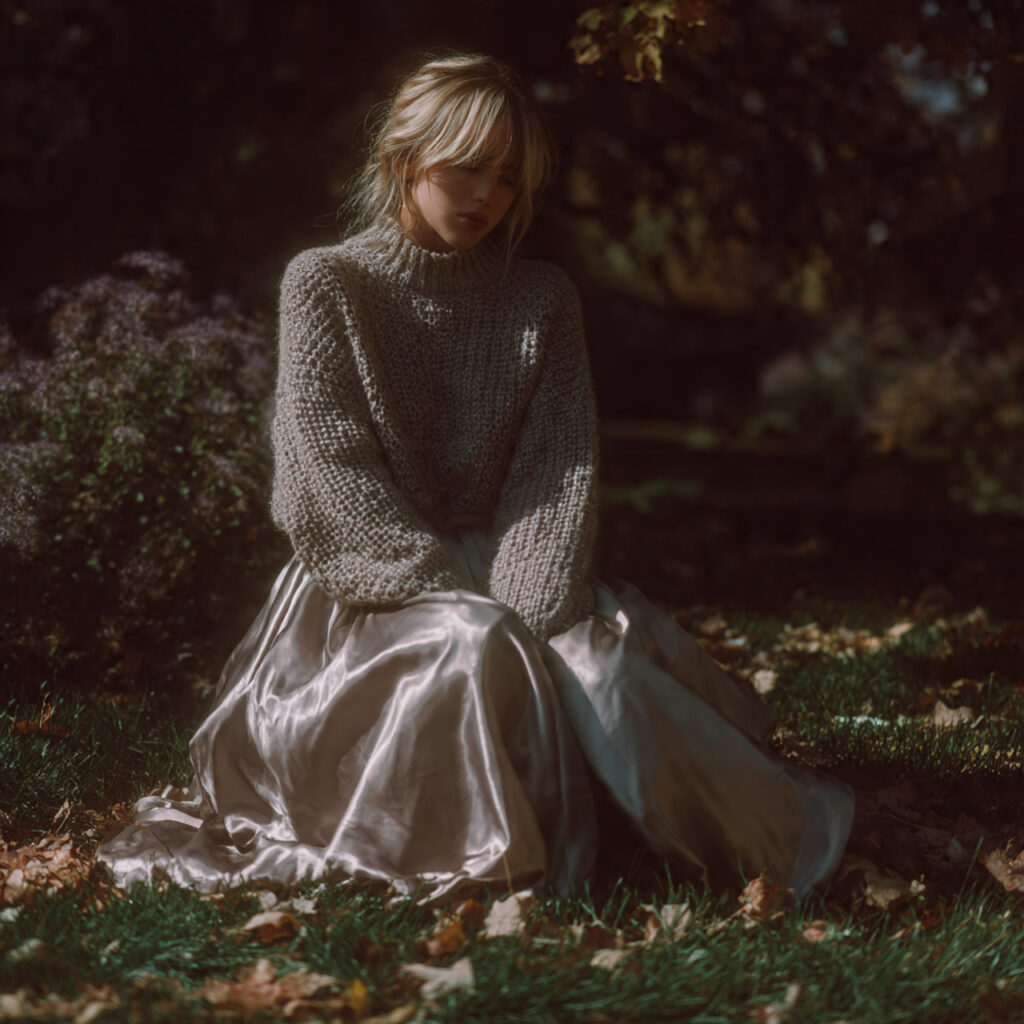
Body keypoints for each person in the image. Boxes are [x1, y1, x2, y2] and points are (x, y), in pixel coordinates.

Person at [97, 53, 853, 902]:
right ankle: (498, 861)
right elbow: (329, 464)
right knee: (468, 645)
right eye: (467, 167)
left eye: (508, 178)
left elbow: (557, 468)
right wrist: (442, 590)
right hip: (369, 585)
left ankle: (753, 850)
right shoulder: (327, 284)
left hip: (514, 564)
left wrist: (527, 601)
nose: (488, 196)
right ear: (404, 160)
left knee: (599, 665)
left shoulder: (541, 298)